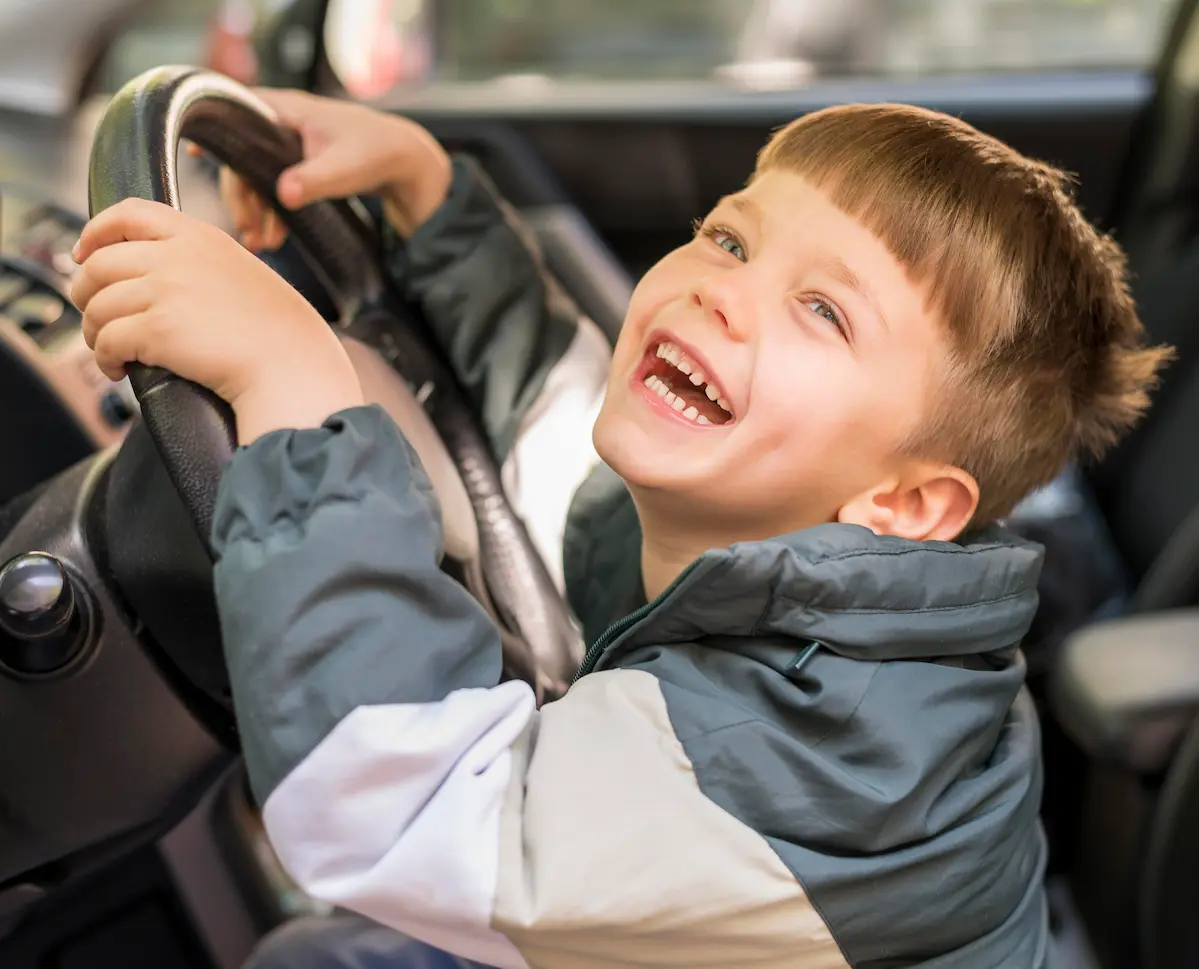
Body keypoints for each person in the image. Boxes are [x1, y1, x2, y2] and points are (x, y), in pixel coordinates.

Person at [69, 89, 1170, 969]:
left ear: (902, 505)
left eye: (822, 311)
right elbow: (552, 428)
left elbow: (394, 811)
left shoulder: (816, 757)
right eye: (730, 240)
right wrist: (425, 190)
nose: (719, 295)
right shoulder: (750, 560)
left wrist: (295, 391)